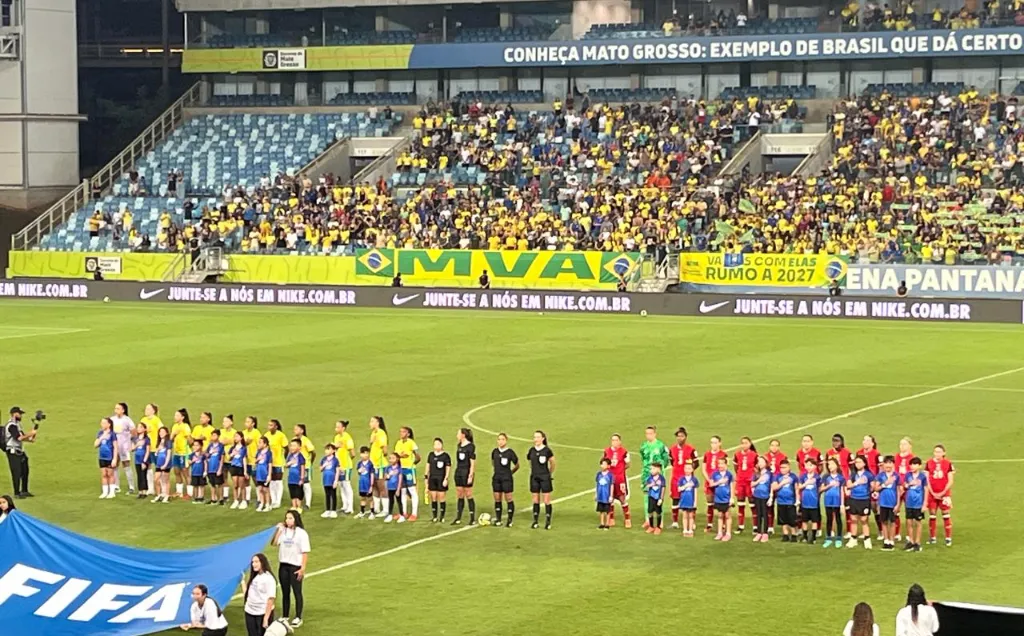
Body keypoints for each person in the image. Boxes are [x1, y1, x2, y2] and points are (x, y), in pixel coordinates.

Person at [273, 510, 310, 628]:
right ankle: (285, 615)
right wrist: (278, 530)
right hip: (283, 565)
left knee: (297, 592)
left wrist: (302, 568)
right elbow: (274, 543)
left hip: (295, 566)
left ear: (295, 519)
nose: (287, 520)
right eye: (286, 518)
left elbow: (305, 552)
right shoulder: (283, 531)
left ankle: (298, 617)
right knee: (285, 592)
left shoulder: (301, 533)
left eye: (290, 518)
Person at [639, 426, 670, 527]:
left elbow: (666, 460)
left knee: (658, 497)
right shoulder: (643, 446)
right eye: (647, 433)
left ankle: (660, 522)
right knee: (646, 496)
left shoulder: (660, 446)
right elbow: (643, 458)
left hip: (658, 475)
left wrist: (659, 470)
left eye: (650, 433)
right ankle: (648, 519)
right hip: (646, 473)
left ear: (655, 434)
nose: (648, 435)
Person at [668, 427, 698, 531]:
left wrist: (689, 471)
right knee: (675, 499)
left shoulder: (691, 449)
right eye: (678, 436)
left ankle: (692, 521)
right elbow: (672, 462)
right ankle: (675, 522)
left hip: (687, 479)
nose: (680, 438)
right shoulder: (672, 449)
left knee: (690, 500)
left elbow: (696, 463)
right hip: (676, 477)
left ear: (685, 437)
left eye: (682, 436)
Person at [925, 444, 955, 546]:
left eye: (939, 452)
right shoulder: (929, 463)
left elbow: (950, 481)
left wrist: (942, 492)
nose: (937, 454)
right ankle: (932, 537)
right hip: (932, 493)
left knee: (946, 514)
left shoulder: (948, 464)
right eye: (935, 451)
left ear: (943, 453)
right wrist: (932, 492)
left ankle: (948, 538)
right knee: (932, 514)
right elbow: (927, 479)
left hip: (945, 494)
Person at [526, 430, 555, 530]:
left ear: (543, 439)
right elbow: (530, 462)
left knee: (546, 499)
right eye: (535, 437)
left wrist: (549, 473)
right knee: (535, 499)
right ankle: (535, 521)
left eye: (538, 437)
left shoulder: (547, 450)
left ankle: (548, 522)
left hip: (544, 477)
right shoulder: (531, 450)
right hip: (534, 477)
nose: (536, 439)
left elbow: (552, 463)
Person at [5, 406, 36, 498]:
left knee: (25, 470)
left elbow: (25, 438)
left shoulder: (17, 425)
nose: (21, 416)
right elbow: (19, 438)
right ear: (14, 414)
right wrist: (31, 434)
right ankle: (17, 493)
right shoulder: (11, 425)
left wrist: (31, 436)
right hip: (12, 451)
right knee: (16, 472)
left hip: (19, 451)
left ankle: (24, 490)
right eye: (20, 414)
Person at [243, 553, 277, 636]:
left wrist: (266, 618)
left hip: (262, 613)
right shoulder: (255, 576)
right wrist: (242, 581)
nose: (254, 564)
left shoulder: (269, 579)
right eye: (252, 562)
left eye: (256, 562)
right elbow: (248, 594)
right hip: (250, 612)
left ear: (262, 562)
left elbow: (271, 599)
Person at [602, 434, 632, 528]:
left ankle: (627, 519)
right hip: (609, 478)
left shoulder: (624, 452)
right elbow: (605, 463)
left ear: (620, 441)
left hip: (620, 479)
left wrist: (620, 470)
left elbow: (628, 464)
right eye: (613, 440)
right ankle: (611, 518)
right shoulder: (607, 451)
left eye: (616, 440)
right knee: (610, 498)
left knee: (622, 498)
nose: (614, 442)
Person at [845, 455, 874, 549]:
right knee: (853, 519)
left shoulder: (869, 474)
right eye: (856, 462)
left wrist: (872, 491)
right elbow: (848, 486)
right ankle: (853, 538)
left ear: (864, 463)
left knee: (864, 520)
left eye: (860, 462)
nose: (857, 464)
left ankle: (867, 539)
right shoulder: (853, 474)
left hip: (864, 499)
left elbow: (873, 486)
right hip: (854, 498)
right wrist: (857, 482)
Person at [490, 432, 518, 527]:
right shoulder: (495, 452)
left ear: (506, 441)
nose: (500, 441)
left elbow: (517, 465)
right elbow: (493, 462)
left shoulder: (510, 452)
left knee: (508, 498)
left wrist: (510, 473)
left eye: (502, 439)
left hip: (507, 478)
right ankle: (498, 519)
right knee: (497, 498)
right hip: (497, 478)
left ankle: (510, 520)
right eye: (499, 439)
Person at [875, 455, 901, 551]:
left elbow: (898, 490)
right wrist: (885, 483)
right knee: (884, 522)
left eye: (890, 463)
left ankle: (892, 540)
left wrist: (898, 504)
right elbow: (876, 488)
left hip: (892, 503)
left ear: (893, 464)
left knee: (893, 522)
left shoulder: (896, 476)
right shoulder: (880, 476)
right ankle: (886, 540)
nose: (888, 465)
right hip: (883, 503)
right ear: (883, 465)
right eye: (886, 463)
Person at [702, 435, 727, 533]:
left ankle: (723, 524)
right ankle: (709, 524)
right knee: (710, 504)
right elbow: (704, 469)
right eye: (712, 442)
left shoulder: (723, 454)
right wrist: (709, 480)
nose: (713, 445)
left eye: (715, 442)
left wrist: (718, 481)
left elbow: (724, 469)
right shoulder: (707, 454)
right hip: (709, 482)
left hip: (720, 483)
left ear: (720, 443)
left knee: (722, 503)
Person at [733, 436, 758, 534]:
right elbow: (736, 468)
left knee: (752, 505)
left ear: (750, 444)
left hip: (750, 483)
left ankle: (755, 527)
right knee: (740, 504)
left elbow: (757, 469)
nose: (744, 445)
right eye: (742, 443)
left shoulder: (754, 455)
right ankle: (740, 526)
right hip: (740, 482)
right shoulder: (737, 454)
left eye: (746, 443)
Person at [394, 426, 420, 521]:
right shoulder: (398, 443)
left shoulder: (411, 443)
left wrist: (412, 464)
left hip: (409, 469)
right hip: (401, 469)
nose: (401, 433)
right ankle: (403, 512)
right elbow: (396, 455)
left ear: (408, 434)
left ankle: (414, 513)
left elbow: (418, 457)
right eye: (400, 431)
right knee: (403, 491)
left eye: (403, 432)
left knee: (412, 490)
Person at [452, 428, 477, 526]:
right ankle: (458, 517)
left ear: (463, 435)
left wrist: (471, 475)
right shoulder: (459, 445)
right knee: (459, 494)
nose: (457, 435)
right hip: (458, 471)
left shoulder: (471, 447)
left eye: (458, 433)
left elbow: (472, 462)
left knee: (468, 494)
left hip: (466, 472)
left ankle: (472, 518)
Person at [902, 457, 928, 552]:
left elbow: (926, 489)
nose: (912, 466)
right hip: (909, 502)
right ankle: (911, 541)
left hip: (918, 503)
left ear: (919, 466)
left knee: (918, 522)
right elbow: (904, 486)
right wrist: (908, 485)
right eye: (911, 464)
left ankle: (917, 542)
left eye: (915, 464)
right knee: (908, 522)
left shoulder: (922, 476)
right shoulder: (907, 475)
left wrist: (925, 503)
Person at [763, 438, 787, 532]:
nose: (774, 447)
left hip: (779, 484)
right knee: (770, 505)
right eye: (772, 445)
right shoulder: (765, 457)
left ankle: (784, 526)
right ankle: (770, 526)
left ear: (779, 447)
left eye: (776, 445)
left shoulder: (783, 456)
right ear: (769, 446)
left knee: (782, 504)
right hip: (768, 484)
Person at [893, 437, 915, 541]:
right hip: (897, 487)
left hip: (908, 488)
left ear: (910, 446)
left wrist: (905, 485)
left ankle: (908, 534)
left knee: (909, 511)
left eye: (905, 444)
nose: (902, 446)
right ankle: (896, 533)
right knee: (895, 509)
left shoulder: (912, 458)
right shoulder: (896, 457)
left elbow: (913, 474)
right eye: (901, 444)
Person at [821, 457, 845, 548]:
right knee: (829, 519)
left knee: (838, 519)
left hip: (837, 501)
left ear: (837, 465)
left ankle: (838, 538)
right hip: (828, 501)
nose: (830, 466)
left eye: (832, 464)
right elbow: (821, 489)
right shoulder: (826, 477)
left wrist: (842, 504)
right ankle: (828, 538)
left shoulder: (841, 477)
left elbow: (842, 490)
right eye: (829, 464)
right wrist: (829, 485)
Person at [112, 402, 136, 495]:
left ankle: (131, 486)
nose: (116, 410)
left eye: (118, 408)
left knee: (126, 465)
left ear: (123, 410)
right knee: (115, 464)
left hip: (124, 446)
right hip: (115, 446)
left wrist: (132, 442)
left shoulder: (127, 420)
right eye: (115, 408)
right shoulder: (112, 419)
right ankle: (116, 486)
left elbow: (134, 431)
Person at [332, 420, 355, 514]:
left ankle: (350, 507)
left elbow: (352, 453)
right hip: (339, 466)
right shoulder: (336, 437)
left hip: (346, 466)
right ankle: (345, 505)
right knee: (341, 486)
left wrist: (346, 461)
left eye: (338, 427)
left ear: (343, 428)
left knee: (346, 485)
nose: (336, 428)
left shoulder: (347, 437)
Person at [265, 420, 289, 510]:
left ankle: (278, 501)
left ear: (276, 426)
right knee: (271, 481)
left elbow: (286, 448)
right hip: (269, 462)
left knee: (278, 481)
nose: (269, 427)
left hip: (278, 462)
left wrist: (284, 458)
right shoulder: (266, 435)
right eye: (269, 425)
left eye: (271, 425)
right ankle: (273, 500)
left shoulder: (281, 435)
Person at [772, 460, 798, 542]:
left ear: (789, 467)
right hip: (780, 501)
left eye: (784, 467)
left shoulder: (793, 477)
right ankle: (785, 534)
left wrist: (797, 500)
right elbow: (774, 487)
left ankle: (794, 535)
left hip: (790, 501)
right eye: (781, 467)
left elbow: (796, 489)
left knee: (792, 519)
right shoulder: (777, 476)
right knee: (783, 519)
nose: (782, 469)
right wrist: (782, 483)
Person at [425, 438, 450, 523]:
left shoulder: (445, 456)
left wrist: (446, 478)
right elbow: (427, 466)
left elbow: (448, 468)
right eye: (435, 444)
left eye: (438, 444)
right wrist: (426, 477)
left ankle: (442, 517)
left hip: (441, 478)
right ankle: (434, 516)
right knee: (433, 497)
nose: (436, 446)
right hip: (432, 478)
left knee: (441, 497)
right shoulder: (431, 455)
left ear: (442, 445)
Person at [368, 416, 389, 516]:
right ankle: (376, 508)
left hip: (380, 464)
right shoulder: (374, 433)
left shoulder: (381, 433)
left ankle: (385, 509)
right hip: (374, 464)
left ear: (378, 423)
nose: (370, 423)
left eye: (372, 421)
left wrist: (382, 456)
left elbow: (384, 449)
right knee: (375, 486)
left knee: (381, 486)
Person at [141, 403, 163, 496]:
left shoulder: (156, 420)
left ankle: (161, 487)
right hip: (146, 448)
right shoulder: (143, 420)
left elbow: (162, 431)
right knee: (148, 466)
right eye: (146, 409)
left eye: (148, 409)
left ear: (153, 411)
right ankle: (151, 488)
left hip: (155, 447)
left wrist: (160, 445)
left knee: (158, 467)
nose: (146, 410)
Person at [710, 456, 734, 540]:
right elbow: (711, 484)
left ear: (726, 464)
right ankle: (720, 532)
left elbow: (731, 486)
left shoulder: (729, 474)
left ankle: (728, 533)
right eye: (719, 463)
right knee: (720, 515)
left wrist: (732, 498)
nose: (720, 465)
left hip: (726, 498)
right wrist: (719, 482)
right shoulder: (715, 474)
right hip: (718, 498)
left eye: (722, 463)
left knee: (727, 516)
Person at [170, 409, 193, 499]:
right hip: (176, 453)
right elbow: (171, 440)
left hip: (184, 453)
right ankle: (179, 492)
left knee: (185, 473)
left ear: (182, 417)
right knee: (176, 471)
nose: (175, 417)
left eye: (177, 415)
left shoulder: (185, 426)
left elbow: (190, 441)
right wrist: (173, 434)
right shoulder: (175, 426)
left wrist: (188, 437)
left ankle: (189, 493)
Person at [293, 424, 315, 511]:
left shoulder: (305, 440)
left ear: (302, 431)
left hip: (305, 466)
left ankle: (308, 503)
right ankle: (299, 502)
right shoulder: (294, 440)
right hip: (296, 467)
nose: (294, 430)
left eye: (296, 429)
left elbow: (313, 452)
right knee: (298, 485)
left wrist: (310, 461)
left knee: (306, 484)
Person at [95, 417, 118, 499]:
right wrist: (102, 437)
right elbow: (96, 445)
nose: (102, 424)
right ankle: (105, 492)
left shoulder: (112, 434)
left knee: (110, 474)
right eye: (102, 423)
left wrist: (115, 458)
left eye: (104, 423)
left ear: (109, 424)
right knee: (104, 474)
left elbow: (115, 447)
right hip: (102, 457)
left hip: (110, 457)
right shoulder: (100, 433)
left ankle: (112, 492)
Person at [751, 455, 772, 543]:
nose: (760, 463)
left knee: (765, 514)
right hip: (757, 496)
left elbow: (771, 486)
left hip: (765, 496)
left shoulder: (770, 474)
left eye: (762, 461)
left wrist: (771, 497)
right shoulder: (756, 474)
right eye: (758, 461)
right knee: (758, 514)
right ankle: (759, 532)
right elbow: (752, 484)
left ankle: (765, 533)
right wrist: (759, 480)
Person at [242, 416, 262, 510]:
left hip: (254, 460)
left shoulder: (256, 433)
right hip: (246, 460)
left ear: (253, 423)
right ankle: (247, 498)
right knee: (246, 479)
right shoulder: (244, 433)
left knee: (255, 479)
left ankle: (259, 498)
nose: (246, 423)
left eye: (248, 421)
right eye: (246, 421)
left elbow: (260, 446)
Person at [676, 461, 700, 537]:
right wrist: (686, 486)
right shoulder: (681, 479)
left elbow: (695, 491)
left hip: (691, 500)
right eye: (686, 468)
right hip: (684, 500)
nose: (687, 470)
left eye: (689, 468)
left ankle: (690, 529)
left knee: (691, 516)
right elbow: (679, 489)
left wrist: (695, 502)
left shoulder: (694, 479)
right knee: (685, 516)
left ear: (692, 470)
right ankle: (685, 529)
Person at [151, 426, 173, 503]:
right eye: (160, 432)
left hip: (166, 463)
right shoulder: (159, 442)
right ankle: (159, 494)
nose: (161, 433)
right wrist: (158, 450)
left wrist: (166, 464)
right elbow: (157, 453)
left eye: (163, 432)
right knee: (156, 479)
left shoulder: (168, 442)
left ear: (166, 433)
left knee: (166, 480)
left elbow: (169, 454)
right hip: (159, 463)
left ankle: (166, 495)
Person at [643, 462, 666, 534]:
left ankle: (658, 527)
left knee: (658, 512)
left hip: (658, 498)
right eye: (651, 469)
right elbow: (646, 486)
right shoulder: (649, 478)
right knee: (650, 512)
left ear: (658, 470)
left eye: (653, 469)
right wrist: (650, 485)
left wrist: (661, 498)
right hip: (651, 497)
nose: (651, 470)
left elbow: (663, 488)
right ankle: (651, 526)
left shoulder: (662, 479)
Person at [320, 443, 340, 519]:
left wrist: (336, 480)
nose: (326, 451)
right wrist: (324, 465)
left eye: (328, 449)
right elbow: (320, 469)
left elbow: (337, 470)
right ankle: (328, 510)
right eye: (326, 449)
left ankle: (334, 510)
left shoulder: (335, 460)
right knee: (327, 494)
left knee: (333, 494)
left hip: (332, 480)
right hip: (326, 479)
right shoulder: (324, 459)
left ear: (333, 450)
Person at [229, 431, 248, 509]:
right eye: (234, 436)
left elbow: (244, 459)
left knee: (242, 485)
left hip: (240, 467)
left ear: (241, 438)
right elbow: (229, 458)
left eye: (237, 436)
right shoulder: (232, 448)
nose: (235, 438)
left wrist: (245, 471)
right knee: (235, 485)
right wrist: (232, 454)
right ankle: (236, 500)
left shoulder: (243, 448)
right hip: (233, 467)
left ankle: (243, 501)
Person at [285, 439, 306, 511]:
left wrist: (302, 478)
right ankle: (294, 505)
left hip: (298, 478)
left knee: (298, 492)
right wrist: (290, 463)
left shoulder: (300, 456)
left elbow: (302, 467)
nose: (292, 447)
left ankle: (299, 506)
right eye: (291, 446)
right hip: (291, 478)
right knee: (292, 492)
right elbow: (286, 465)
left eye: (294, 446)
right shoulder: (290, 456)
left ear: (299, 447)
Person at [132, 422, 151, 500]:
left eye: (140, 427)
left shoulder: (147, 439)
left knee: (143, 475)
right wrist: (137, 445)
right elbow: (132, 449)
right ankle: (140, 491)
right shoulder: (135, 438)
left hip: (144, 459)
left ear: (144, 429)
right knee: (139, 475)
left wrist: (144, 461)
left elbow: (147, 451)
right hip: (137, 460)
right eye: (138, 427)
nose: (138, 429)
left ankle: (145, 491)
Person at [355, 446, 375, 518]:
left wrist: (371, 485)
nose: (365, 455)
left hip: (368, 483)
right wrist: (359, 471)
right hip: (362, 483)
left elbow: (372, 474)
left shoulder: (370, 464)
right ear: (360, 454)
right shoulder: (359, 463)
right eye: (363, 453)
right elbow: (359, 472)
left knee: (370, 498)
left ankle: (372, 513)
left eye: (367, 453)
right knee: (362, 498)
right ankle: (362, 511)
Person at [254, 437, 273, 512]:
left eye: (260, 442)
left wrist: (269, 475)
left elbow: (270, 464)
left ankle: (268, 504)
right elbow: (255, 461)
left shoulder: (269, 453)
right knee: (260, 489)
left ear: (265, 444)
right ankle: (262, 503)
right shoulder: (258, 452)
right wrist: (257, 459)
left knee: (266, 490)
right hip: (259, 473)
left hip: (265, 473)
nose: (258, 444)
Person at [207, 430, 225, 506]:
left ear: (218, 436)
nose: (213, 437)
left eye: (214, 435)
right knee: (212, 483)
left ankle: (221, 499)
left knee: (219, 484)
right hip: (210, 467)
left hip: (217, 467)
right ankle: (213, 498)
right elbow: (206, 454)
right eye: (212, 435)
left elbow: (222, 457)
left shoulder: (221, 446)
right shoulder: (210, 445)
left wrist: (220, 469)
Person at [595, 458, 614, 530]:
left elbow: (612, 485)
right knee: (601, 510)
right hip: (600, 495)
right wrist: (596, 494)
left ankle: (607, 524)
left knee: (607, 511)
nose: (602, 466)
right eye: (602, 464)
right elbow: (597, 485)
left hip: (606, 496)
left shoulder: (610, 475)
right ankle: (602, 523)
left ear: (608, 466)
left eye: (604, 464)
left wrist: (611, 496)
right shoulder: (598, 474)